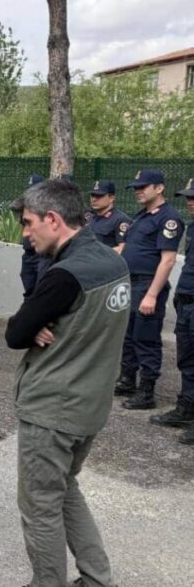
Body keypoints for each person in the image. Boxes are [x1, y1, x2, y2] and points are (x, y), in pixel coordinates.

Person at [5, 179, 129, 587]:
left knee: (40, 505)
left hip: (53, 410)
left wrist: (33, 323)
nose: (26, 233)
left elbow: (15, 332)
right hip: (89, 406)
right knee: (65, 488)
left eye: (28, 223)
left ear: (53, 219)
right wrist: (35, 323)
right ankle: (97, 578)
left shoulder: (65, 276)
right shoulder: (114, 263)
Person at [116, 169, 184, 411]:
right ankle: (127, 380)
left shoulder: (168, 218)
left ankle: (146, 392)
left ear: (159, 188)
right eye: (136, 187)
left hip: (147, 284)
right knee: (128, 336)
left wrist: (152, 295)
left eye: (143, 187)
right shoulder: (142, 216)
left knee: (146, 338)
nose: (138, 191)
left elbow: (167, 260)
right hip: (130, 283)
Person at [149, 179, 194, 443]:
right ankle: (186, 408)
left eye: (193, 198)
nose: (190, 201)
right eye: (188, 197)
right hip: (187, 303)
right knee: (186, 361)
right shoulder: (192, 227)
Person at [20, 174, 51, 298]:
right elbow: (23, 227)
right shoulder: (26, 208)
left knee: (41, 290)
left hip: (42, 256)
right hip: (28, 255)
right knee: (28, 288)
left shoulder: (48, 209)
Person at [85, 181, 131, 251]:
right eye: (92, 195)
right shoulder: (89, 217)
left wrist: (99, 255)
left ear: (111, 198)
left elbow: (123, 248)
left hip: (104, 260)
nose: (94, 199)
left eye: (99, 196)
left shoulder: (120, 220)